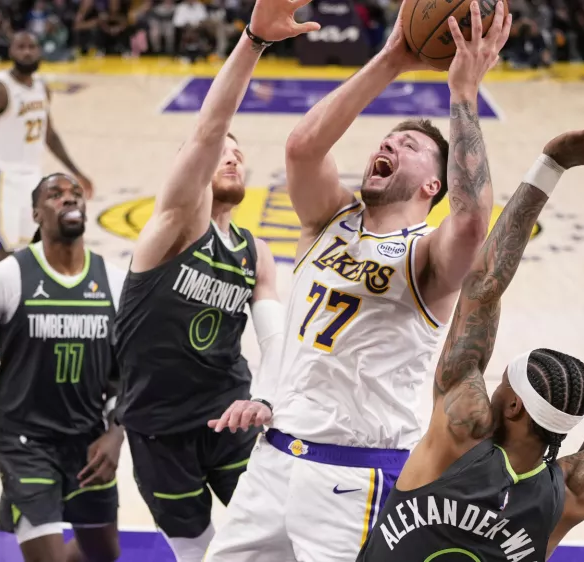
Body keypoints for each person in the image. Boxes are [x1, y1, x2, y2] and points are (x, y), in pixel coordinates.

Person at [206, 3, 513, 561]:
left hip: (354, 480)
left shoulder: (426, 256)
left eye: (411, 147)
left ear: (432, 187)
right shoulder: (328, 220)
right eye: (388, 141)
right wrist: (392, 57)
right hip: (273, 461)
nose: (390, 145)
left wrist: (462, 94)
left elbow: (471, 220)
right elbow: (302, 148)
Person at [357, 153, 584, 560]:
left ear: (514, 404)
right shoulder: (573, 491)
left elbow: (482, 288)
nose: (493, 388)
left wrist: (550, 167)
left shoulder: (460, 435)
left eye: (503, 384)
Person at [110, 2, 319, 561]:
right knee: (196, 551)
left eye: (239, 155)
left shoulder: (256, 252)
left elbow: (276, 340)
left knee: (278, 542)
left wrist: (270, 396)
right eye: (219, 154)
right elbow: (208, 128)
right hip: (159, 427)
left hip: (228, 415)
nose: (231, 157)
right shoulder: (173, 228)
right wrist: (253, 40)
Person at [0, 174, 126, 562]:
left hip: (87, 439)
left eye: (74, 194)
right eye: (55, 195)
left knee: (103, 554)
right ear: (36, 214)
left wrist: (117, 433)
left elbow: (129, 373)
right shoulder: (6, 278)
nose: (68, 199)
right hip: (24, 442)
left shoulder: (114, 282)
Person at [0, 31, 92, 358]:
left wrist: (75, 171)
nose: (27, 51)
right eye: (21, 46)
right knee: (3, 253)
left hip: (32, 179)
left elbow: (48, 134)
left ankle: (20, 320)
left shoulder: (40, 86)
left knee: (33, 248)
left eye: (32, 46)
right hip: (3, 179)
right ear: (10, 50)